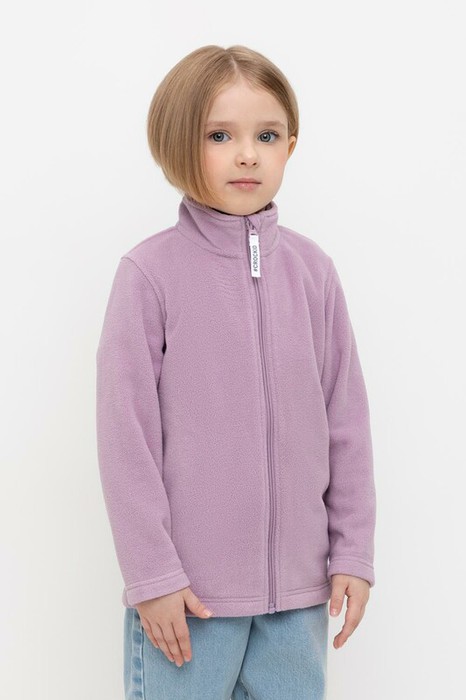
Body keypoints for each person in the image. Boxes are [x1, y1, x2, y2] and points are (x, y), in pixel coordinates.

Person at [96, 44, 377, 700]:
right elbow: (124, 440)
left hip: (298, 601)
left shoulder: (313, 273)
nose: (247, 154)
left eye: (266, 136)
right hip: (188, 602)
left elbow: (347, 424)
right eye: (219, 135)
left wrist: (353, 550)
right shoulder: (148, 276)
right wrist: (152, 574)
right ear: (177, 143)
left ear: (290, 146)